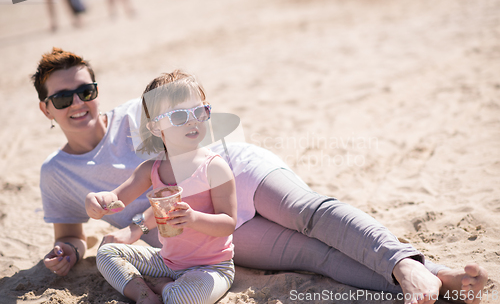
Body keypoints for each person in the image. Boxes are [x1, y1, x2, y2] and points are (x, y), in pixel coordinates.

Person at [34, 48, 488, 304]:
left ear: (97, 91)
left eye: (86, 89)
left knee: (311, 214)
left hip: (235, 172)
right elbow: (73, 236)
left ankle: (410, 266)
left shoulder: (143, 108)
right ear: (45, 109)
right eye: (63, 97)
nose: (78, 102)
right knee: (309, 256)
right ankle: (436, 281)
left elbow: (201, 120)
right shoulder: (57, 173)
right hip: (197, 232)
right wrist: (67, 251)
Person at [85, 71, 237, 304]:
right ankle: (143, 295)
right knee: (107, 253)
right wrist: (97, 201)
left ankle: (164, 288)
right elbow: (116, 199)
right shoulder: (151, 170)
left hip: (212, 267)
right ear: (156, 127)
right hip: (166, 261)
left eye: (199, 111)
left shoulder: (214, 167)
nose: (192, 120)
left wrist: (193, 218)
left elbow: (228, 223)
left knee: (181, 298)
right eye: (178, 116)